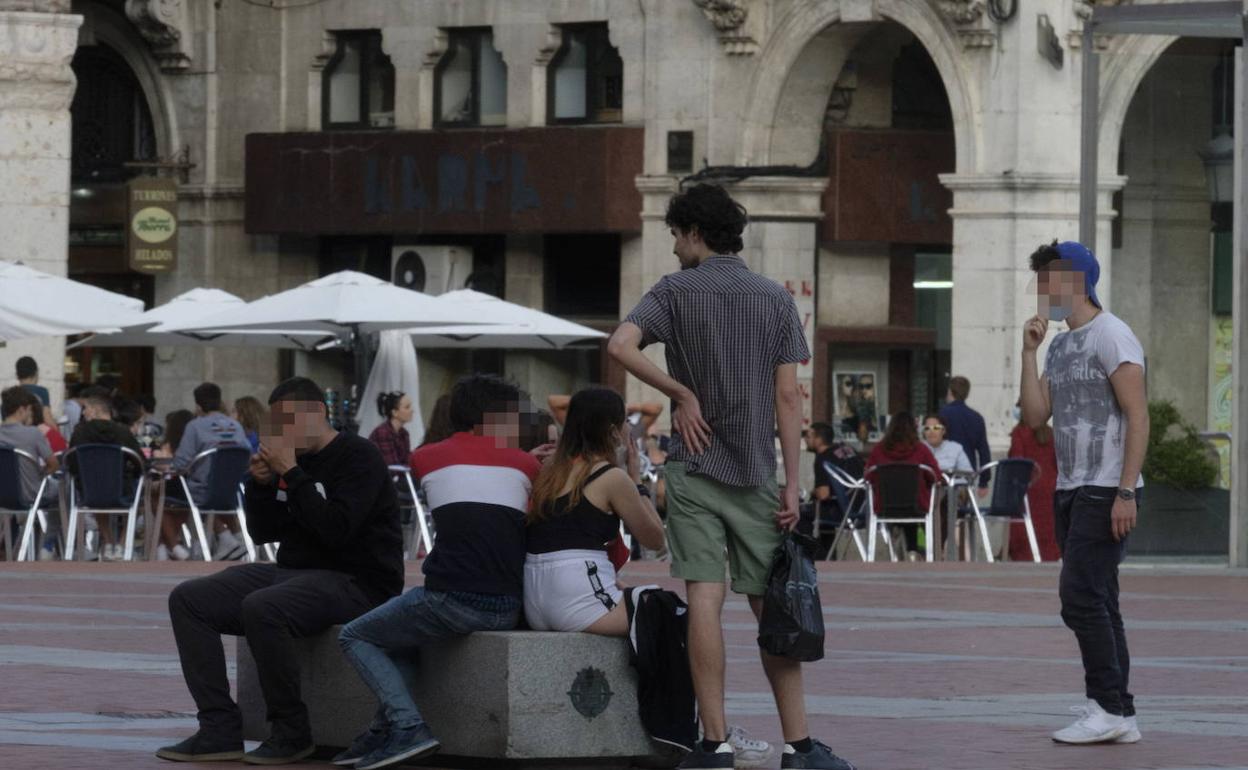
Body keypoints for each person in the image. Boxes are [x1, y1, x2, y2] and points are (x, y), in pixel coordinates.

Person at [608, 183, 854, 770]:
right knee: (773, 611)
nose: (673, 248)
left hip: (693, 470)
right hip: (757, 478)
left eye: (675, 235)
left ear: (695, 232)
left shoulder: (673, 293)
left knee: (704, 602)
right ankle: (798, 746)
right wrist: (792, 483)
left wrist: (678, 391)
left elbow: (621, 344)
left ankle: (714, 743)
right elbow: (789, 397)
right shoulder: (773, 297)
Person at [159, 376, 402, 765]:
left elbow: (338, 530)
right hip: (294, 572)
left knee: (263, 606)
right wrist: (261, 485)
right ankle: (219, 729)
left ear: (317, 413)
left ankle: (291, 731)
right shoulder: (295, 463)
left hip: (358, 580)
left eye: (289, 421)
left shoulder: (360, 456)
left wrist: (292, 474)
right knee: (189, 599)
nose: (282, 432)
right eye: (277, 423)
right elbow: (262, 532)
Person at [335, 374, 540, 770]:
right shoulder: (529, 463)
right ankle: (383, 732)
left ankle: (409, 727)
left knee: (354, 635)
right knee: (405, 642)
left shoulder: (425, 456)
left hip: (451, 598)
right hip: (509, 603)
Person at [1020, 240, 1148, 745]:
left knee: (1079, 600)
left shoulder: (1112, 335)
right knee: (1101, 600)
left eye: (1048, 279)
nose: (1040, 291)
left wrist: (1126, 492)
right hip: (1071, 487)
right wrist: (1028, 353)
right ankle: (1118, 709)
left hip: (1105, 488)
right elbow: (1035, 419)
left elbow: (1138, 415)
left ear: (1074, 281)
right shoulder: (1060, 344)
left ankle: (1107, 706)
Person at [524, 387, 665, 634]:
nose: (628, 430)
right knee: (667, 613)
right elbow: (654, 539)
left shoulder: (548, 471)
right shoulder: (611, 477)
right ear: (613, 432)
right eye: (624, 423)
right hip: (577, 597)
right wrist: (637, 483)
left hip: (534, 598)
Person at [169, 383, 250, 561]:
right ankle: (232, 537)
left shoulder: (195, 426)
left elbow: (180, 464)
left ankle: (169, 547)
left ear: (198, 405)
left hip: (202, 491)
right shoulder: (235, 425)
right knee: (212, 490)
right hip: (232, 491)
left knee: (164, 494)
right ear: (219, 401)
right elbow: (247, 456)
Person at [69, 390, 144, 561]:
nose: (84, 412)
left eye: (86, 408)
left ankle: (109, 542)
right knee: (141, 495)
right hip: (120, 490)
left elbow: (71, 463)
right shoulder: (123, 432)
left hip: (89, 492)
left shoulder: (79, 433)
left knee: (97, 490)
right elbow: (141, 462)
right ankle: (123, 545)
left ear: (96, 410)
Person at [865, 412, 941, 557]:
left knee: (898, 503)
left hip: (885, 506)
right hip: (916, 506)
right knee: (917, 507)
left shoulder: (879, 450)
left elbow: (869, 477)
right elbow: (935, 476)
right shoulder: (921, 450)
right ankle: (915, 550)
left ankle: (896, 547)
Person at [0, 387, 58, 559]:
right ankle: (50, 544)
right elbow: (53, 464)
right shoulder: (32, 434)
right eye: (29, 411)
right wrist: (39, 473)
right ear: (21, 409)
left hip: (2, 496)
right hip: (29, 494)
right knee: (64, 490)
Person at [1007, 403, 1060, 561]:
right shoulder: (1051, 433)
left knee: (1024, 527)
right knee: (1048, 528)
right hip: (1051, 486)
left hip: (1028, 487)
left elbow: (1017, 461)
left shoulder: (1020, 432)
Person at [154, 409, 196, 561]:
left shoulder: (171, 446)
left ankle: (166, 545)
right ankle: (169, 545)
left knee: (154, 496)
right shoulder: (196, 442)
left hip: (178, 488)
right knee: (162, 496)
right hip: (193, 490)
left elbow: (173, 468)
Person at [938, 376, 992, 489]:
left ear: (950, 391)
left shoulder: (942, 414)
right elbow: (984, 452)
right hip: (967, 474)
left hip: (945, 471)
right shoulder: (977, 418)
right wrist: (984, 481)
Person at [368, 391, 412, 467]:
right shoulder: (382, 433)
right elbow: (391, 466)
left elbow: (407, 461)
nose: (412, 410)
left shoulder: (404, 433)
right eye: (407, 407)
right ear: (394, 412)